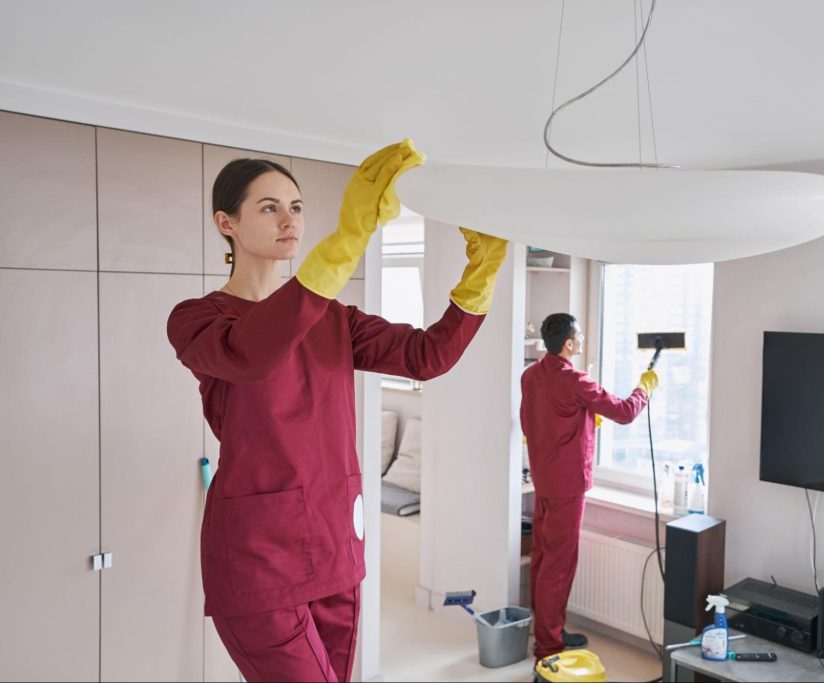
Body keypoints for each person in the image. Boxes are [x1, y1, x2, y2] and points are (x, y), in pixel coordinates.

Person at [167, 140, 507, 682]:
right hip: (258, 559)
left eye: (297, 207)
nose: (289, 220)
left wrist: (481, 275)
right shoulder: (199, 320)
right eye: (269, 207)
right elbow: (253, 352)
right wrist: (349, 239)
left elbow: (428, 355)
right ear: (225, 223)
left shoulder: (334, 319)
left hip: (334, 543)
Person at [520, 313, 658, 660]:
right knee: (559, 564)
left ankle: (548, 630)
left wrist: (584, 420)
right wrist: (646, 388)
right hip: (567, 486)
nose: (581, 340)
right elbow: (625, 412)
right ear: (568, 343)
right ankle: (549, 647)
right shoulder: (576, 380)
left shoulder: (531, 375)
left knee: (542, 557)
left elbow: (532, 420)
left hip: (544, 480)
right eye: (578, 336)